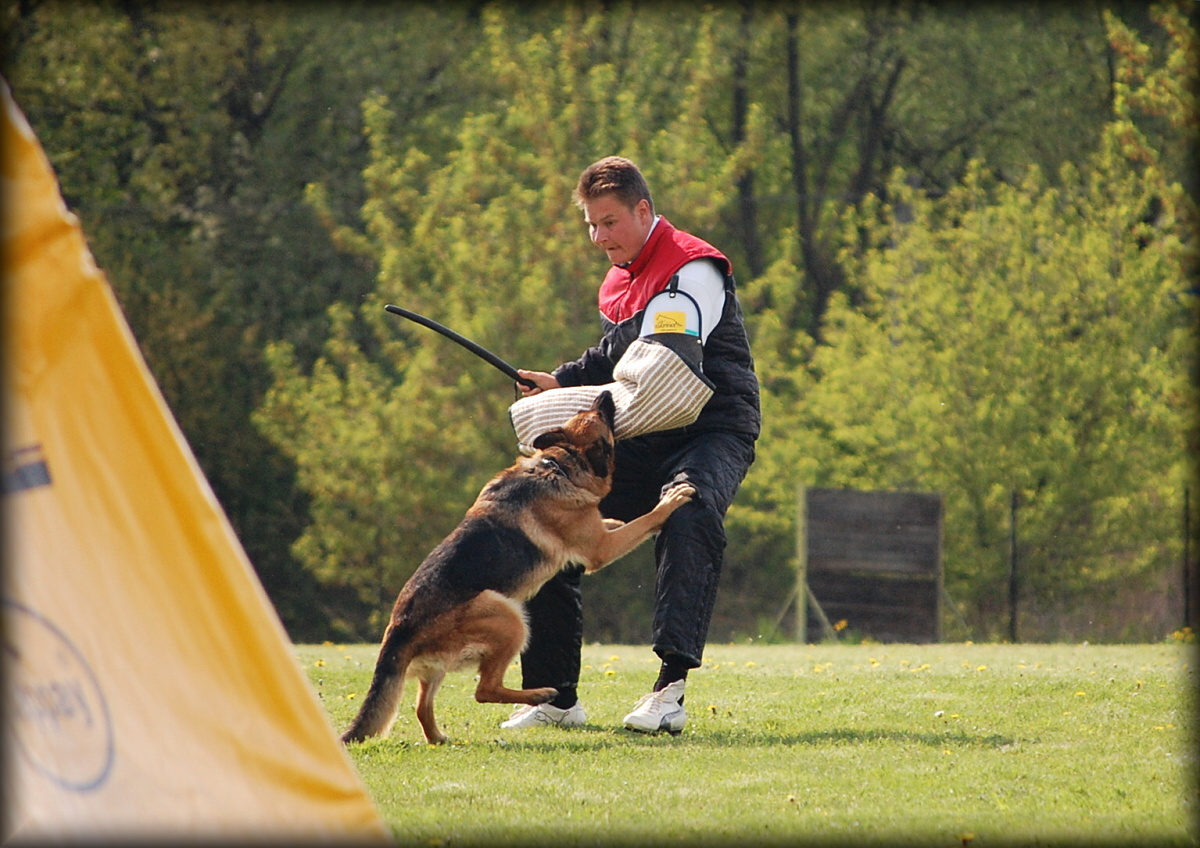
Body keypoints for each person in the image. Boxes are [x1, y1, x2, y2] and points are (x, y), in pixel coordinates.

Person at [501, 156, 760, 734]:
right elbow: (615, 353)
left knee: (688, 511)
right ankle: (554, 698)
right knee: (550, 520)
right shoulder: (618, 280)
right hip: (648, 429)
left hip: (715, 425)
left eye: (610, 222)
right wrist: (562, 381)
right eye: (591, 224)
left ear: (643, 211)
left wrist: (580, 393)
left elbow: (663, 361)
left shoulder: (694, 269)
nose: (600, 238)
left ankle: (668, 694)